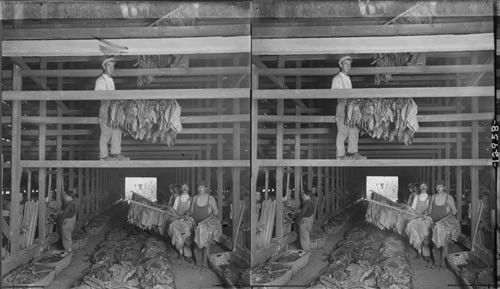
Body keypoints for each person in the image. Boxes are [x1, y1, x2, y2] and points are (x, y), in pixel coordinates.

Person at [332, 55, 366, 160]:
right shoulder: (337, 78)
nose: (348, 66)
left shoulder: (347, 78)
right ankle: (340, 155)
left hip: (351, 106)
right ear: (341, 65)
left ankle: (353, 152)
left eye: (349, 64)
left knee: (354, 128)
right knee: (343, 131)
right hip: (342, 105)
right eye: (346, 64)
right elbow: (335, 94)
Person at [96, 56, 129, 161]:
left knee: (117, 130)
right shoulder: (101, 80)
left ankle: (115, 154)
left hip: (114, 109)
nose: (111, 68)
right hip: (106, 108)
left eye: (113, 66)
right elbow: (98, 95)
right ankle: (104, 156)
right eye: (109, 65)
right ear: (104, 66)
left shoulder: (110, 80)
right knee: (106, 133)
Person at [427, 180, 457, 270]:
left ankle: (443, 263)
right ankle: (436, 263)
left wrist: (446, 219)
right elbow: (429, 210)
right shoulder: (433, 197)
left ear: (444, 187)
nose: (438, 188)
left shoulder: (449, 197)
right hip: (434, 224)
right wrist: (421, 215)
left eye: (440, 186)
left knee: (444, 245)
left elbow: (454, 211)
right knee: (434, 244)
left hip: (445, 225)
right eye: (437, 187)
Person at [190, 180, 219, 270]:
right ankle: (198, 264)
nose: (200, 189)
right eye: (199, 187)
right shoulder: (194, 198)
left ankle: (205, 265)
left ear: (206, 188)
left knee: (206, 247)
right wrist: (187, 217)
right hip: (196, 225)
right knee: (196, 247)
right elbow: (191, 211)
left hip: (206, 226)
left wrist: (206, 221)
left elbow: (216, 212)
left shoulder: (210, 198)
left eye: (202, 187)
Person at [172, 183, 194, 264]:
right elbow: (174, 210)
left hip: (187, 220)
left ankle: (188, 256)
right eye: (183, 187)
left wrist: (187, 215)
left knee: (187, 237)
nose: (184, 188)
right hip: (178, 219)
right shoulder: (178, 198)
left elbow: (192, 211)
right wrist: (176, 215)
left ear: (188, 188)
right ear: (181, 188)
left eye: (186, 187)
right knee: (177, 236)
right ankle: (180, 253)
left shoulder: (191, 199)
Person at [410, 182, 432, 262]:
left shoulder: (430, 198)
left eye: (425, 186)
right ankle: (419, 253)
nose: (423, 187)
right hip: (417, 219)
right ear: (420, 188)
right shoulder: (417, 197)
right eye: (422, 186)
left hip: (426, 219)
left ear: (427, 187)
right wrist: (416, 215)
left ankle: (426, 255)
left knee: (426, 237)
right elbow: (413, 209)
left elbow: (430, 209)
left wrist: (425, 214)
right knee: (417, 236)